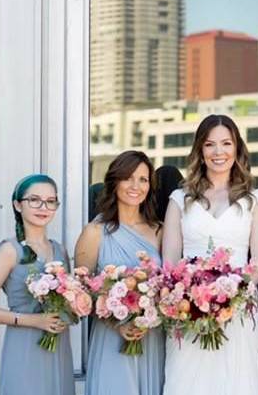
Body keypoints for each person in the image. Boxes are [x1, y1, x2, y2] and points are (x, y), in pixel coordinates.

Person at [162, 114, 258, 395]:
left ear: (237, 148)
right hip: (188, 314)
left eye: (226, 143)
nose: (218, 152)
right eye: (210, 144)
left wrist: (228, 298)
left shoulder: (255, 200)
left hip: (239, 312)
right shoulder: (179, 199)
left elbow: (257, 263)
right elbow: (170, 263)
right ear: (200, 150)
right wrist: (191, 299)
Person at [0, 174, 74, 395]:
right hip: (25, 344)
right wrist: (34, 320)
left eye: (50, 201)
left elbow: (69, 298)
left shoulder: (60, 250)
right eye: (34, 200)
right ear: (18, 205)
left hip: (58, 346)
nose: (43, 207)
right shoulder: (10, 250)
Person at [75, 150, 164, 395]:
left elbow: (167, 286)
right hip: (111, 337)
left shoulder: (159, 231)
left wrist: (151, 313)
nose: (136, 186)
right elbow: (79, 293)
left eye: (143, 179)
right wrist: (116, 322)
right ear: (115, 182)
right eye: (128, 178)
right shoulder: (94, 232)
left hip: (151, 337)